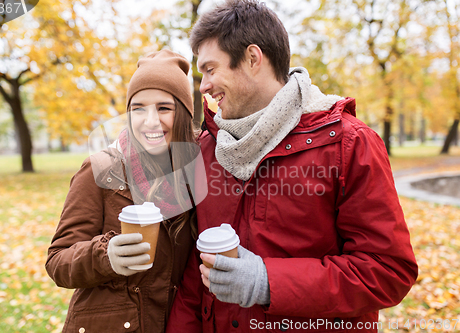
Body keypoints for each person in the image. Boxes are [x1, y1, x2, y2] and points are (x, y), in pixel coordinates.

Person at [166, 1, 418, 332]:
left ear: (253, 59)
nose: (203, 86)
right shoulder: (207, 149)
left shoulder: (348, 143)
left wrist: (268, 282)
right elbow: (192, 278)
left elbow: (388, 270)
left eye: (211, 69)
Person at [46, 49, 199, 333]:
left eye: (164, 108)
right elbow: (57, 260)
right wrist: (106, 255)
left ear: (183, 114)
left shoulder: (196, 174)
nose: (150, 121)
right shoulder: (100, 169)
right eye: (138, 108)